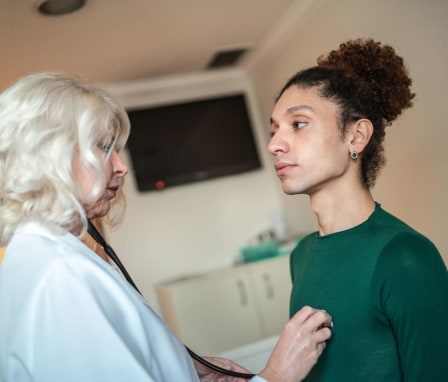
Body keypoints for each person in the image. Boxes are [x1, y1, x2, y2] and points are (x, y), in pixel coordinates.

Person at [0, 72, 332, 382]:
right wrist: (275, 375)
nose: (120, 167)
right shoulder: (60, 275)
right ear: (48, 155)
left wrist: (179, 367)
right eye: (104, 147)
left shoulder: (38, 260)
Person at [267, 38, 448, 381]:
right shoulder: (301, 256)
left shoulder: (406, 257)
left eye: (298, 123)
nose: (274, 144)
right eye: (274, 129)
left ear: (356, 137)